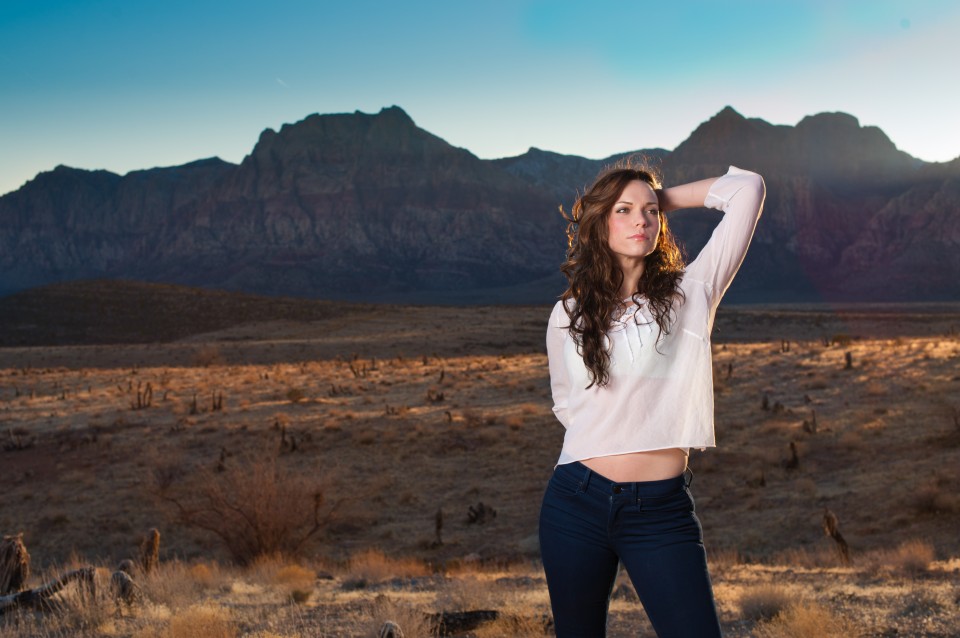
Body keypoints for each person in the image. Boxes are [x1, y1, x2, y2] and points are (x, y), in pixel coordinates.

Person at [539, 162, 765, 637]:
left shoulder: (691, 291)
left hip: (660, 512)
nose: (640, 220)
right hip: (574, 501)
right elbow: (566, 404)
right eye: (623, 210)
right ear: (600, 223)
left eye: (649, 212)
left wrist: (661, 197)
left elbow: (747, 189)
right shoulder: (568, 312)